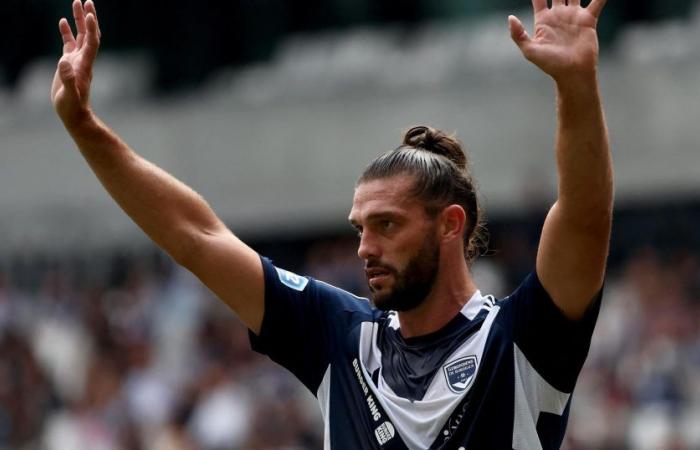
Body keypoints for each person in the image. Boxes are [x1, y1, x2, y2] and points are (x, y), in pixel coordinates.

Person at [52, 0, 612, 448]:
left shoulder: (520, 341)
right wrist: (84, 128)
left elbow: (584, 217)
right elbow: (195, 236)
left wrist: (575, 84)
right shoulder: (338, 335)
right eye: (359, 228)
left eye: (387, 226)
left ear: (450, 225)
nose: (364, 248)